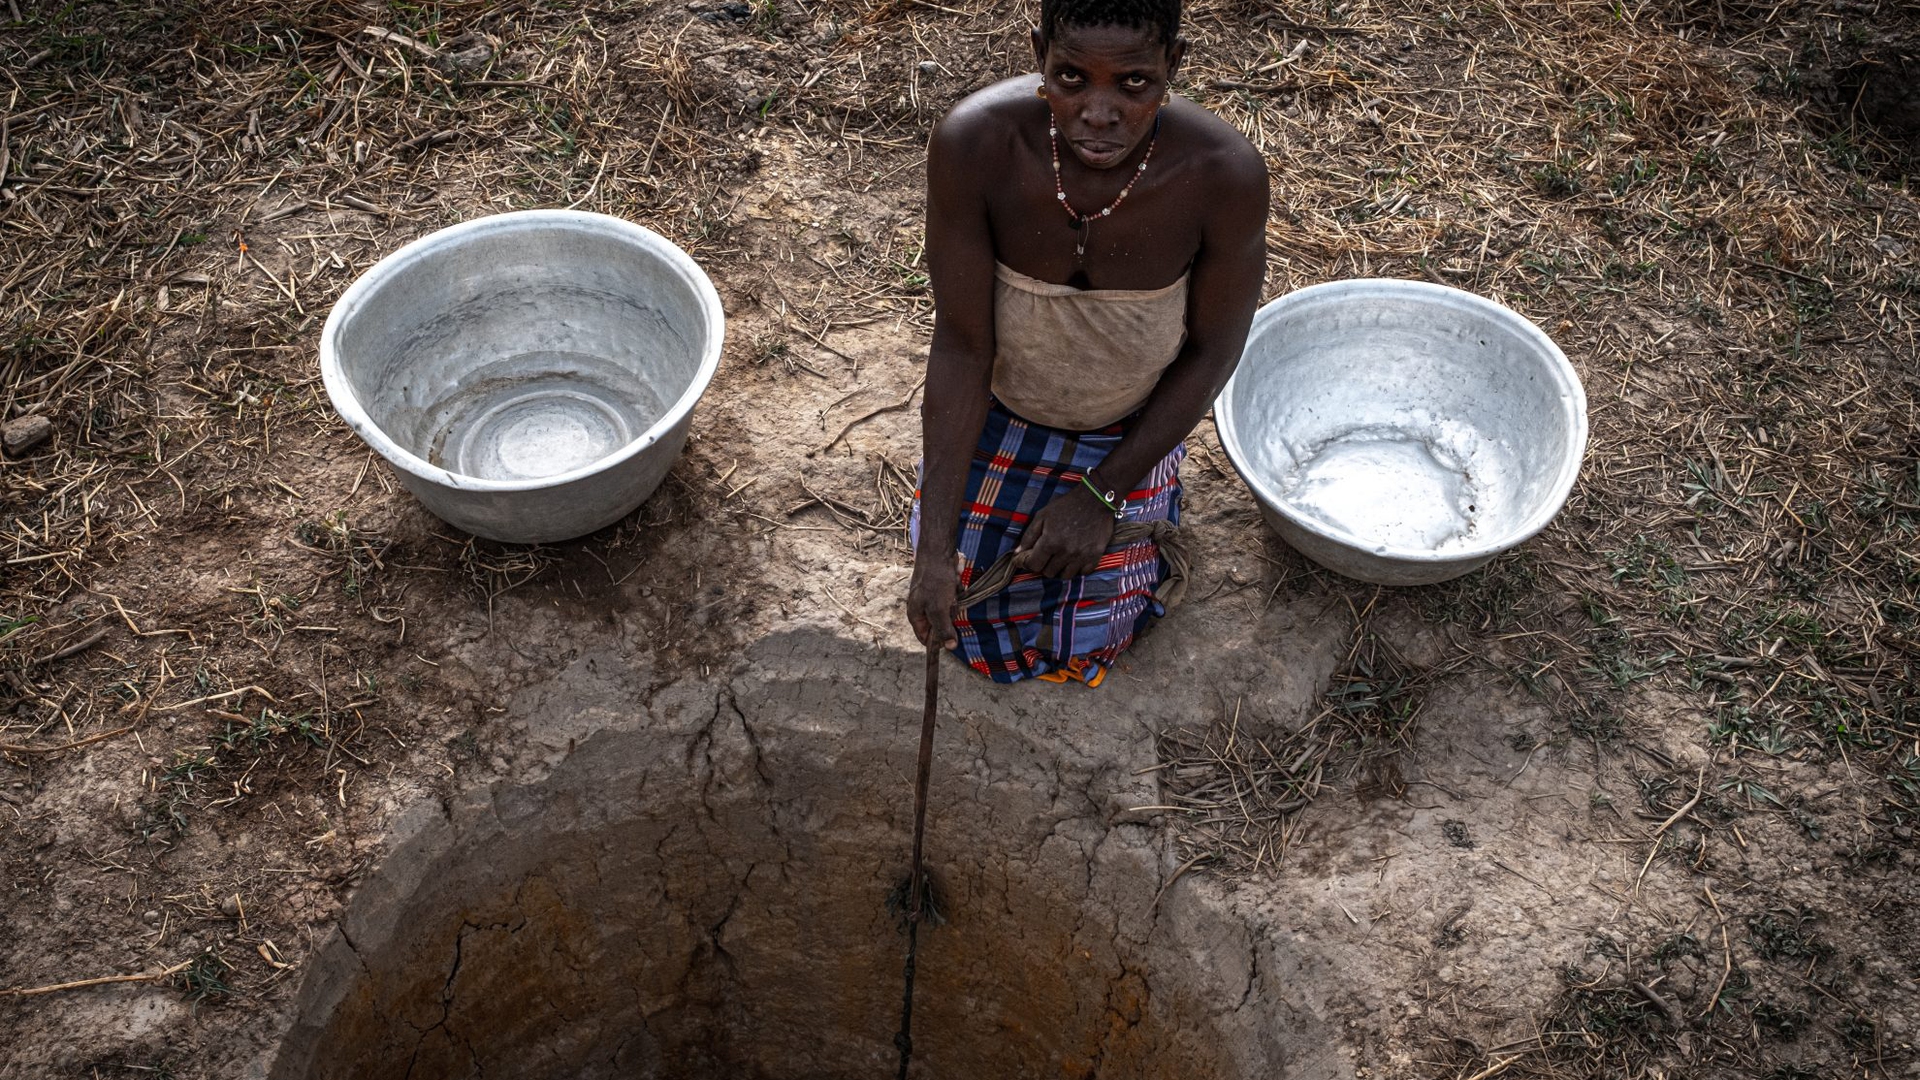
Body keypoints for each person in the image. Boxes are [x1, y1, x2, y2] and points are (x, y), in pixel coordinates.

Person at [905, 0, 1269, 685]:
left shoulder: (1223, 175)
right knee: (966, 607)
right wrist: (933, 555)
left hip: (1128, 429)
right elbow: (961, 346)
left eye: (1133, 84)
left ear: (1174, 67)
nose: (1099, 113)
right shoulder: (977, 146)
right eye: (1072, 77)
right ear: (1038, 52)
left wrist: (1102, 495)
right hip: (1001, 411)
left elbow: (1213, 352)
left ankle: (1138, 495)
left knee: (1086, 630)